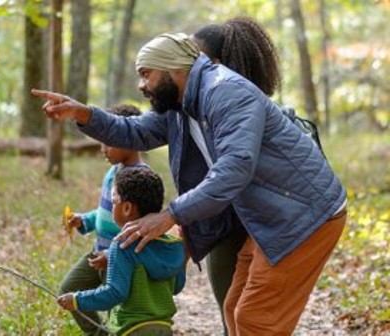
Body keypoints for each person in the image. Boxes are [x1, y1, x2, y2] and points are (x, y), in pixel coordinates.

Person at [32, 32, 347, 335]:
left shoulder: (226, 91)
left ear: (173, 70)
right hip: (271, 215)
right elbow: (134, 132)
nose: (142, 86)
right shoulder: (181, 104)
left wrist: (170, 215)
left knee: (256, 320)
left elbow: (235, 168)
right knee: (235, 309)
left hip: (305, 212)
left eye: (146, 75)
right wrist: (83, 114)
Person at [192, 17, 281, 334]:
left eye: (194, 58)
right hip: (259, 220)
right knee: (244, 313)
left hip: (241, 221)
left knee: (239, 312)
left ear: (214, 63)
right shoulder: (207, 105)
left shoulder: (227, 103)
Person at [57, 167, 185, 336]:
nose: (111, 208)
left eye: (113, 201)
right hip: (163, 328)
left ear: (127, 208)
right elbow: (177, 286)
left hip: (131, 329)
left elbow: (115, 293)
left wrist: (76, 300)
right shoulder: (172, 244)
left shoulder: (122, 245)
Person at [60, 104, 147, 335]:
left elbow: (140, 227)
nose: (102, 148)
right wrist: (85, 220)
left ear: (130, 137)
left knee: (116, 308)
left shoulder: (139, 178)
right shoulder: (114, 170)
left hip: (120, 259)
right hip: (98, 251)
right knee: (70, 287)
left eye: (108, 142)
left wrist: (114, 256)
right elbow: (107, 211)